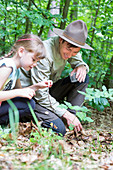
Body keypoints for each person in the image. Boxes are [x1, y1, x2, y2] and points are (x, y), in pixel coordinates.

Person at [20, 20, 94, 136]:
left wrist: (81, 66)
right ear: (61, 40)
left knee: (83, 78)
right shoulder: (44, 53)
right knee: (59, 130)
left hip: (48, 90)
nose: (69, 55)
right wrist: (64, 113)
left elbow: (77, 58)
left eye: (75, 52)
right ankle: (63, 119)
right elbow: (40, 95)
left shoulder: (69, 48)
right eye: (68, 50)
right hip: (32, 96)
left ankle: (71, 120)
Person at [0, 34, 53, 126]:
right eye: (33, 59)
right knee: (27, 104)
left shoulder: (16, 70)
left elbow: (21, 92)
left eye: (37, 61)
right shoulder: (7, 67)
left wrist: (37, 86)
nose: (35, 64)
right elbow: (18, 92)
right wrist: (18, 93)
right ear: (21, 51)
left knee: (27, 102)